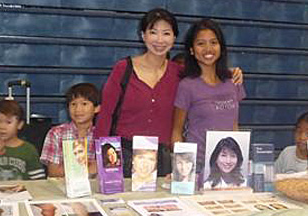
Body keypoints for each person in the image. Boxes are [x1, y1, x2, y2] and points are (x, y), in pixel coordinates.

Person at [95, 8, 243, 177]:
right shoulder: (123, 69)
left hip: (162, 160)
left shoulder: (180, 73)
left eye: (166, 33)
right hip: (122, 156)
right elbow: (105, 116)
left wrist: (231, 73)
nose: (159, 40)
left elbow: (208, 72)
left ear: (174, 38)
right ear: (143, 35)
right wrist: (99, 159)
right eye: (153, 32)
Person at [172, 18, 246, 172]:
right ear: (192, 50)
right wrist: (182, 171)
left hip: (228, 165)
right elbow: (177, 132)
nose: (208, 49)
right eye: (201, 43)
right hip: (197, 166)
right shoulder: (187, 85)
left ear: (221, 47)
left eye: (213, 42)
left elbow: (234, 126)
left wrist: (239, 162)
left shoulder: (233, 81)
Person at [41, 83, 100, 177]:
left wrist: (69, 168)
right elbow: (54, 172)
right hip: (63, 189)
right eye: (73, 104)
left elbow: (108, 169)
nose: (78, 109)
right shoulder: (56, 133)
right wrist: (90, 167)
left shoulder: (103, 135)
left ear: (97, 108)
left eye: (84, 104)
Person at [0, 99, 45, 181]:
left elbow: (39, 180)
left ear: (19, 124)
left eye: (8, 122)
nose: (2, 127)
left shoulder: (29, 150)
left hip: (21, 192)